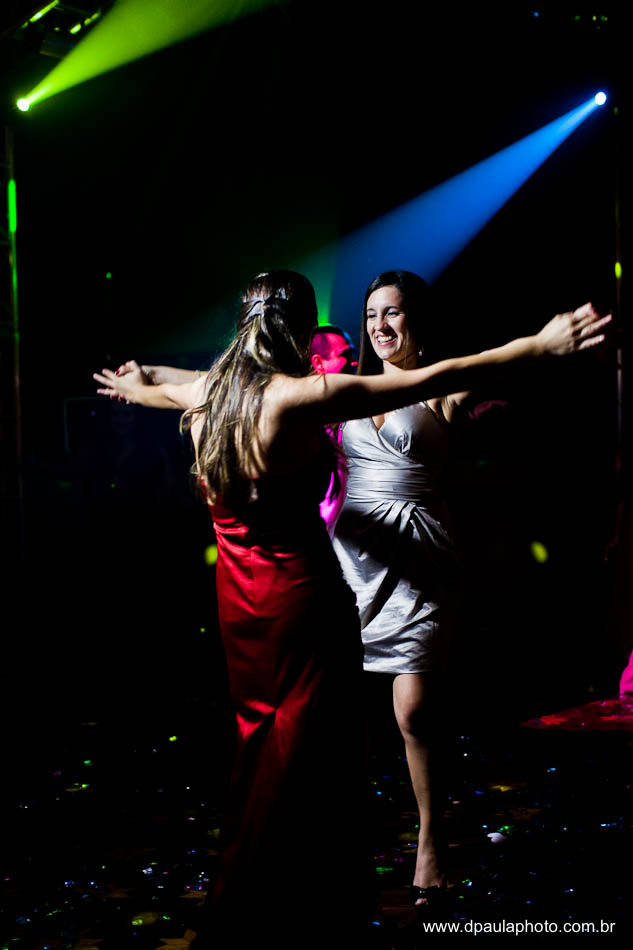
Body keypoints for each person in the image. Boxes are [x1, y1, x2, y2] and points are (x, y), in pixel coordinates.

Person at [94, 270, 608, 941]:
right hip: (311, 587)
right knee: (310, 740)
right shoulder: (306, 394)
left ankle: (275, 880)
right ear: (298, 331)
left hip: (246, 601)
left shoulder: (215, 392)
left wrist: (139, 381)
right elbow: (442, 373)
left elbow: (175, 381)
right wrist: (540, 345)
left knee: (271, 734)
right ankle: (305, 888)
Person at [330, 269, 610, 908]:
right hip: (352, 564)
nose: (380, 325)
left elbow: (494, 361)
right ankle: (341, 838)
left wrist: (544, 344)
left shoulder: (440, 385)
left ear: (416, 320)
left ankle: (431, 839)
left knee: (413, 711)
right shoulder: (349, 388)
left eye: (392, 312)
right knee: (341, 714)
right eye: (371, 314)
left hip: (420, 560)